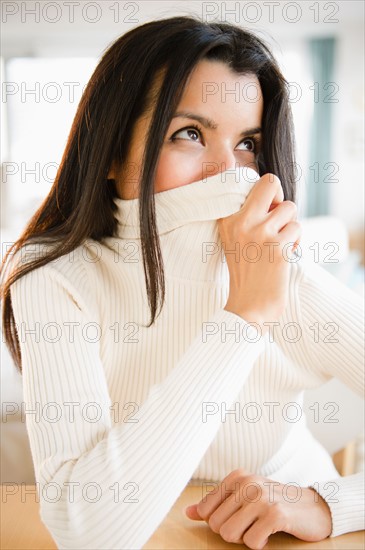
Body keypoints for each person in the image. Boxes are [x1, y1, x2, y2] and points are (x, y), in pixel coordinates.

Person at [1, 15, 364, 550]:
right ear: (112, 152)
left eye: (248, 143)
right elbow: (89, 531)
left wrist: (329, 502)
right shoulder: (56, 279)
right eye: (189, 133)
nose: (227, 174)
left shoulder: (291, 276)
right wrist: (244, 317)